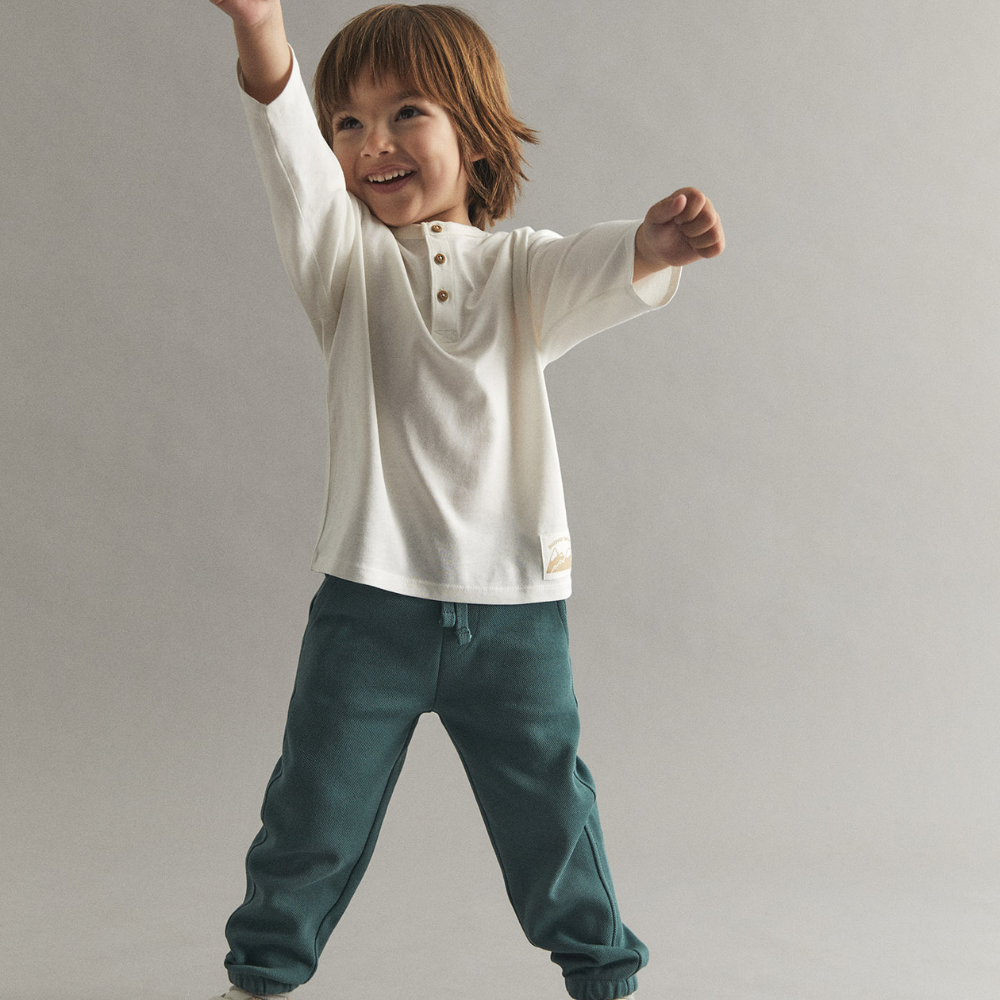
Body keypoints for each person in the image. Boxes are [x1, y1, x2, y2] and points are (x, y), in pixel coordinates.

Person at [202, 3, 724, 999]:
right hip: (370, 605)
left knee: (552, 817)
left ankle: (603, 975)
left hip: (515, 611)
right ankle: (259, 979)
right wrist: (260, 25)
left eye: (406, 112)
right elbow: (287, 154)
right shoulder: (343, 261)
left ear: (475, 135)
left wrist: (654, 243)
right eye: (348, 123)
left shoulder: (521, 272)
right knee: (312, 811)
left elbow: (598, 262)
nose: (373, 142)